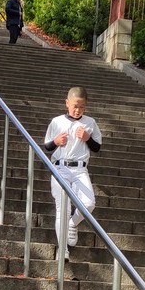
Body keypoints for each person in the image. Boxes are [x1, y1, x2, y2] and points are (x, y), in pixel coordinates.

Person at [44, 86, 103, 259]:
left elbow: (97, 147)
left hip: (79, 169)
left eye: (82, 107)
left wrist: (87, 138)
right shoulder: (57, 122)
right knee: (62, 206)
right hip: (60, 167)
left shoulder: (90, 123)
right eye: (75, 106)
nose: (77, 110)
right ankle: (63, 250)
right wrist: (55, 141)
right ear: (67, 103)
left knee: (89, 203)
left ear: (86, 106)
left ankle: (72, 223)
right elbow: (47, 146)